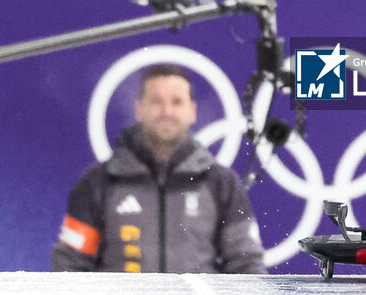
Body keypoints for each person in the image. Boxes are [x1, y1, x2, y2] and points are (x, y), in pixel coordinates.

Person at [51, 64, 267, 273]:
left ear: (192, 111)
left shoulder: (221, 182)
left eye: (176, 102)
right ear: (139, 110)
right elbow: (69, 264)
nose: (167, 111)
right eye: (156, 102)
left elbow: (246, 264)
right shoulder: (99, 181)